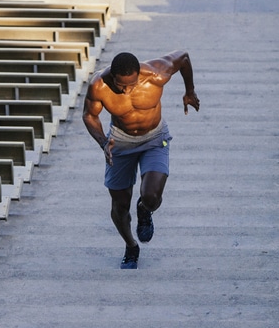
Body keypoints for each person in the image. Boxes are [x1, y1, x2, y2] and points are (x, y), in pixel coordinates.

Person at [83, 51, 200, 269]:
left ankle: (145, 209)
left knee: (152, 196)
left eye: (132, 84)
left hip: (154, 138)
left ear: (139, 75)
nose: (127, 90)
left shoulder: (156, 73)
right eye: (121, 85)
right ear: (112, 76)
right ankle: (130, 245)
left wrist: (189, 91)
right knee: (119, 206)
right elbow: (90, 115)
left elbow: (183, 57)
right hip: (119, 141)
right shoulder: (99, 85)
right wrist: (102, 142)